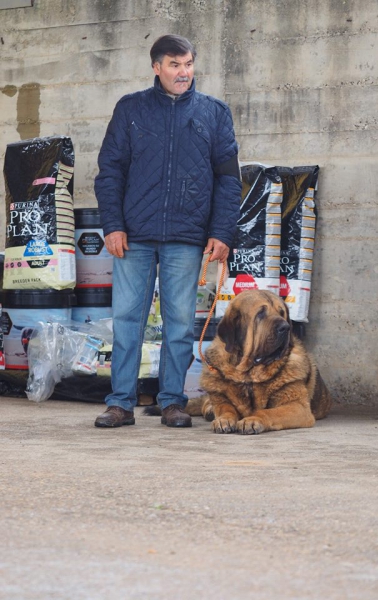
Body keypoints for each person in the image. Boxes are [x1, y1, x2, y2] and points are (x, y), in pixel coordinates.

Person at [93, 34, 242, 428]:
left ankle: (172, 401)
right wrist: (113, 225)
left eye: (188, 64)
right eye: (175, 65)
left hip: (187, 236)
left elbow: (228, 178)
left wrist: (222, 231)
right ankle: (120, 403)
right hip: (134, 236)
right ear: (156, 67)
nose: (184, 72)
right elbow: (110, 171)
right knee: (128, 320)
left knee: (178, 325)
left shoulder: (215, 113)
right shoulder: (131, 110)